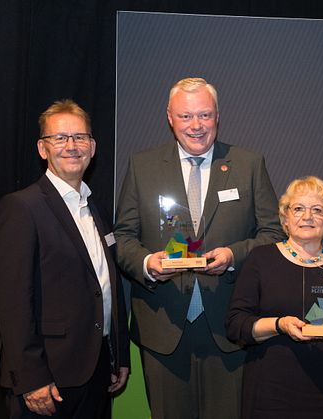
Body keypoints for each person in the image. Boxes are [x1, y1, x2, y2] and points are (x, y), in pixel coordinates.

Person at [114, 77, 284, 419]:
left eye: (204, 115)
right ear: (169, 117)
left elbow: (272, 233)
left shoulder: (248, 164)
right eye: (186, 116)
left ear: (217, 116)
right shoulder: (142, 166)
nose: (196, 125)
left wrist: (233, 256)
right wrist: (147, 263)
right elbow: (123, 236)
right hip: (163, 328)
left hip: (229, 326)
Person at [0, 99, 130, 418]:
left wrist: (120, 356)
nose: (72, 146)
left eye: (80, 137)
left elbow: (106, 287)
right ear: (43, 149)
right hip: (48, 379)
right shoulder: (21, 209)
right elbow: (13, 303)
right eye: (60, 138)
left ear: (93, 147)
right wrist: (31, 378)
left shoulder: (95, 210)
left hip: (96, 372)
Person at [226, 176, 323, 418]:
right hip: (270, 393)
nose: (307, 216)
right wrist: (280, 325)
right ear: (285, 218)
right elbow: (236, 325)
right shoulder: (261, 259)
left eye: (317, 210)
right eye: (298, 208)